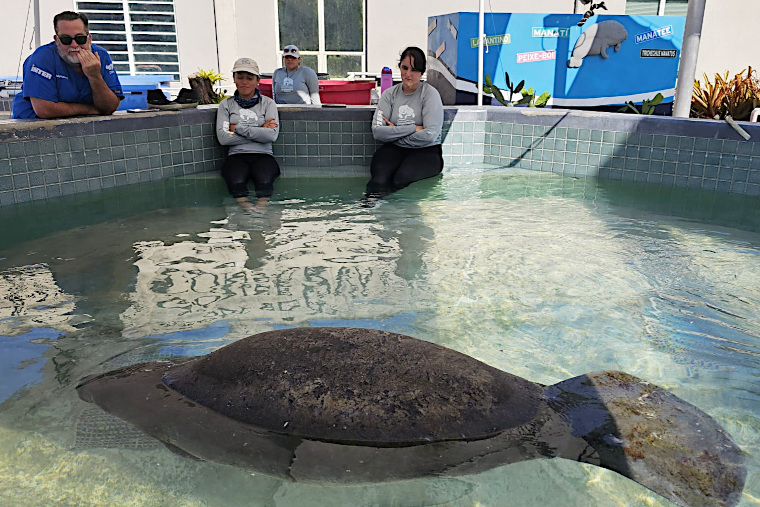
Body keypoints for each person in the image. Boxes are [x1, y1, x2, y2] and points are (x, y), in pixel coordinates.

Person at [12, 11, 123, 119]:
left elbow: (110, 107)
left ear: (89, 38)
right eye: (66, 39)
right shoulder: (42, 58)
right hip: (31, 125)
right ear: (57, 40)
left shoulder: (101, 55)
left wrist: (95, 76)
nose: (74, 45)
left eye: (80, 38)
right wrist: (91, 110)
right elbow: (44, 110)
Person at [366, 46, 444, 198]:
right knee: (378, 181)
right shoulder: (389, 95)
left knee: (400, 179)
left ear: (421, 73)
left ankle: (398, 216)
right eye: (405, 68)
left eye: (414, 70)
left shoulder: (430, 95)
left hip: (426, 151)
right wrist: (413, 128)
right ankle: (370, 215)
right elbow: (377, 132)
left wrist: (395, 131)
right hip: (395, 148)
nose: (408, 74)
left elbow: (430, 135)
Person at [216, 57, 280, 212]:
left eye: (249, 78)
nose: (245, 81)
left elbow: (272, 136)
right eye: (240, 77)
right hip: (236, 155)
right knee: (235, 181)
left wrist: (236, 128)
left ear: (257, 80)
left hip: (263, 154)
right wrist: (260, 128)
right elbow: (223, 138)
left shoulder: (268, 103)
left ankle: (260, 209)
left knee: (265, 180)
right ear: (234, 79)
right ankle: (247, 209)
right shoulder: (226, 105)